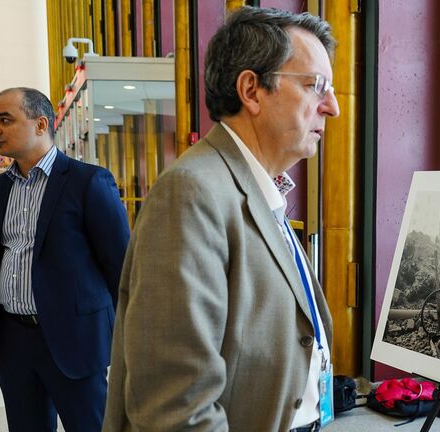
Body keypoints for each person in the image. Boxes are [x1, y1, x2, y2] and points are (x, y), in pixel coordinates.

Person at [104, 7, 340, 432]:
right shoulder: (191, 193)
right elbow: (178, 407)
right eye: (315, 86)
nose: (333, 107)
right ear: (252, 90)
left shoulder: (257, 186)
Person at [0, 87, 130, 431]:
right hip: (13, 339)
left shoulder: (88, 181)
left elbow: (121, 267)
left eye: (5, 120)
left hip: (74, 340)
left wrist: (130, 345)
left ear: (40, 124)